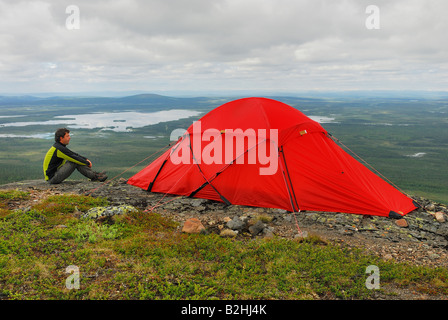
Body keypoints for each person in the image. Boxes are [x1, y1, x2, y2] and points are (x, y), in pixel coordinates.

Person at [43, 128, 107, 184]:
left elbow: (73, 154)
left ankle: (95, 175)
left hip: (53, 175)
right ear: (61, 138)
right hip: (52, 178)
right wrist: (87, 163)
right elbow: (74, 158)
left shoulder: (59, 146)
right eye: (67, 136)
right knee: (73, 162)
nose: (69, 137)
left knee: (74, 160)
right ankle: (95, 177)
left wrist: (86, 159)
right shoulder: (59, 149)